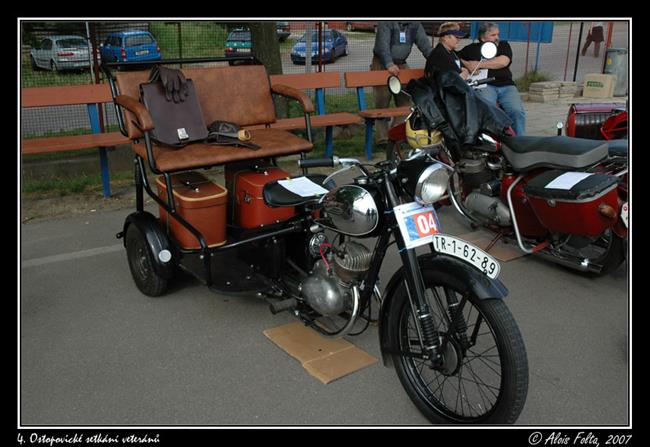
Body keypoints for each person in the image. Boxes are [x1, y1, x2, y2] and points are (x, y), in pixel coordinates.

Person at [372, 22, 433, 151]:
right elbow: (382, 46)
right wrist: (389, 64)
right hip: (382, 63)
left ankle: (394, 134)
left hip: (401, 63)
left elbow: (425, 46)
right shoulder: (386, 22)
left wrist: (436, 62)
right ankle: (382, 140)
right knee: (382, 103)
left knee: (406, 102)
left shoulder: (415, 24)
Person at [457, 22, 526, 136]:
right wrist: (468, 65)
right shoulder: (471, 49)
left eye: (497, 34)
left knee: (517, 111)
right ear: (483, 37)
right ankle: (493, 139)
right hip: (485, 85)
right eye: (493, 35)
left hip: (506, 85)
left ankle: (520, 142)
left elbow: (503, 61)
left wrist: (478, 64)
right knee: (488, 109)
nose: (497, 37)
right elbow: (455, 56)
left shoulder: (503, 45)